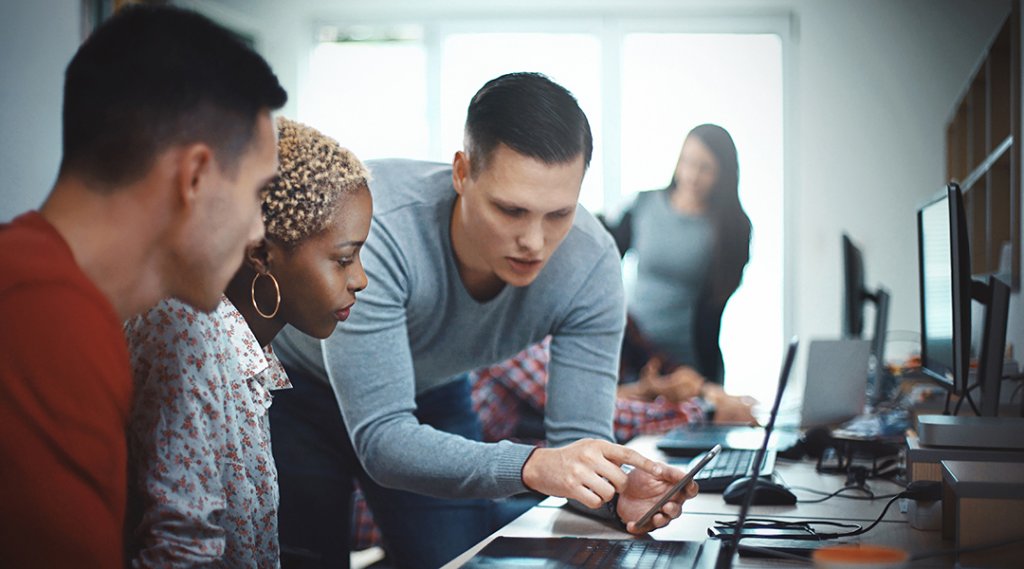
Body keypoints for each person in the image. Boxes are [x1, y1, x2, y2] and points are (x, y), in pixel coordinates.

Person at [271, 72, 696, 569]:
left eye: (558, 213)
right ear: (462, 173)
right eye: (511, 210)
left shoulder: (591, 264)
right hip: (299, 388)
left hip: (433, 389)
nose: (534, 242)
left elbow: (580, 447)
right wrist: (533, 465)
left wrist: (614, 496)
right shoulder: (380, 227)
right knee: (307, 559)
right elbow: (383, 440)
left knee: (457, 558)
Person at [0, 6, 286, 568]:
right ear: (196, 177)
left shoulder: (58, 298)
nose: (258, 230)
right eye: (258, 192)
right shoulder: (46, 318)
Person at [124, 118, 371, 568]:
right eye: (343, 259)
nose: (360, 279)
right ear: (261, 254)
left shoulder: (239, 345)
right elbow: (182, 551)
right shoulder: (187, 333)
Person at [603, 124, 755, 423]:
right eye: (687, 162)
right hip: (634, 356)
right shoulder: (644, 205)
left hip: (690, 363)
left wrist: (701, 385)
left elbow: (717, 303)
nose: (692, 175)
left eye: (705, 168)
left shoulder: (731, 228)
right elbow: (603, 253)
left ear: (722, 175)